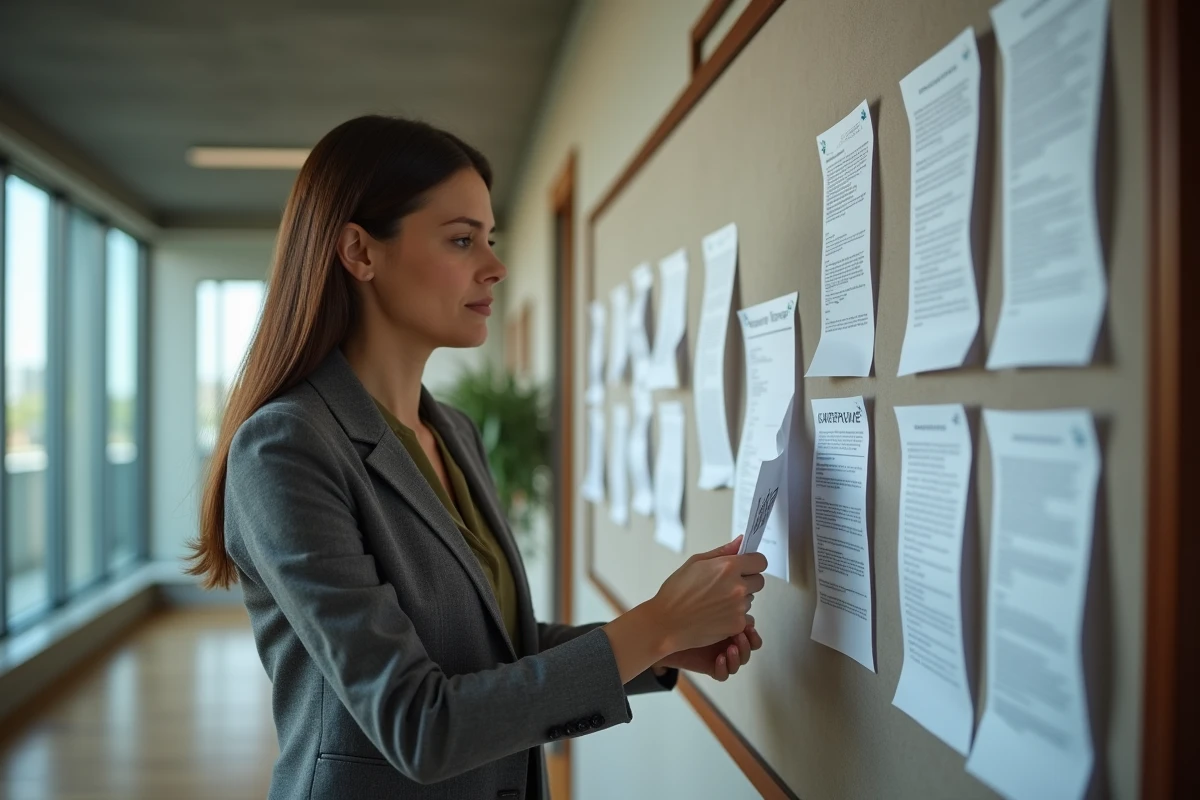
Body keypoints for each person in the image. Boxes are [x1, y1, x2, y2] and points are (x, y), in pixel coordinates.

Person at [187, 115, 768, 800]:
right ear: (359, 252)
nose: (494, 267)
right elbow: (418, 724)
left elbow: (493, 647)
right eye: (462, 240)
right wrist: (656, 625)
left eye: (489, 240)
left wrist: (660, 647)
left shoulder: (455, 433)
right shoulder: (286, 449)